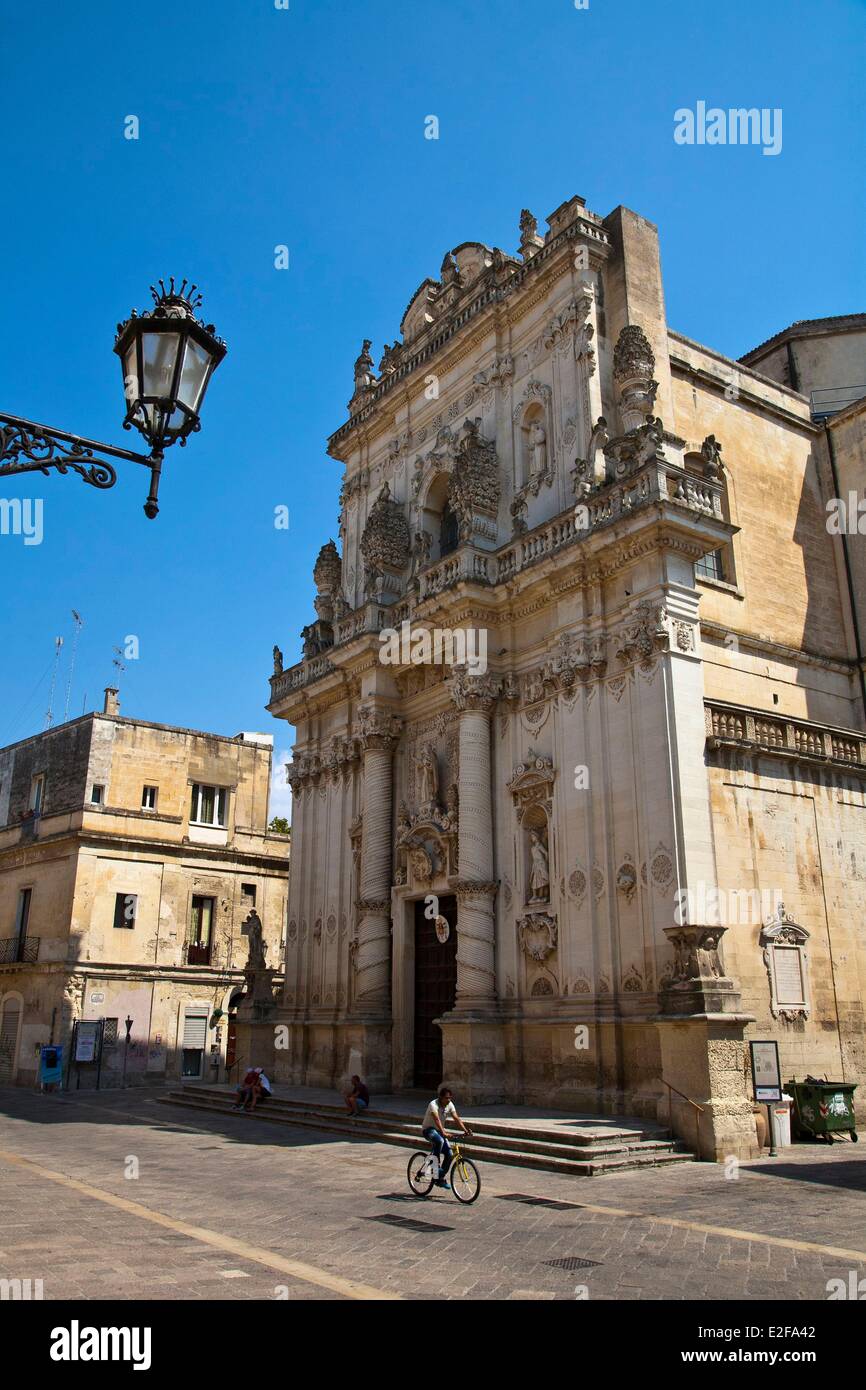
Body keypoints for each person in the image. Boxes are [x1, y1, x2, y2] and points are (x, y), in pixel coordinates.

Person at [422, 1084, 472, 1188]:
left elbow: (456, 1118)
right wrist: (443, 1132)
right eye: (446, 1098)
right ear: (440, 1097)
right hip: (428, 1130)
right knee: (439, 1141)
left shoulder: (450, 1104)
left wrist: (465, 1130)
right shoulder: (433, 1104)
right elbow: (437, 1119)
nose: (448, 1100)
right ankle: (434, 1168)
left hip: (439, 1131)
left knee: (449, 1154)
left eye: (450, 1098)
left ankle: (439, 1178)